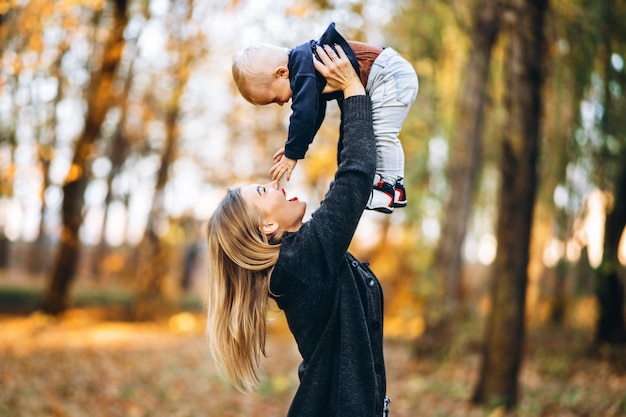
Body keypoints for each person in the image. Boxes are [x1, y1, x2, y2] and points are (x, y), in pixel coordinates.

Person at [207, 45, 391, 416]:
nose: (274, 185)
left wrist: (345, 92)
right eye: (263, 191)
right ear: (268, 225)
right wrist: (352, 91)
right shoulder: (299, 262)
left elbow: (347, 177)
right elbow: (354, 177)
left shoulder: (296, 263)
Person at [232, 22, 418, 213]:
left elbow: (303, 114)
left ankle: (385, 189)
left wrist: (292, 153)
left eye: (275, 98)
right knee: (379, 135)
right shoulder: (305, 67)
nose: (281, 103)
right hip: (390, 75)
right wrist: (295, 144)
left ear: (282, 73)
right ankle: (396, 189)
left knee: (382, 135)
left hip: (388, 75)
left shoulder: (302, 69)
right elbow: (314, 112)